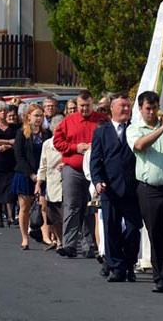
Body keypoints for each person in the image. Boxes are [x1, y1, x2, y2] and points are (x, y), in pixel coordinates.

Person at [126, 91, 163, 293]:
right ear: (140, 109)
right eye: (147, 109)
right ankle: (161, 277)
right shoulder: (134, 129)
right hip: (148, 190)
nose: (151, 112)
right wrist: (161, 129)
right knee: (156, 234)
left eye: (154, 108)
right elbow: (140, 145)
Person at [90, 92, 142, 282]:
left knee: (132, 229)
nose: (126, 109)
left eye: (128, 106)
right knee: (110, 228)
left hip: (132, 189)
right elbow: (95, 161)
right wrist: (98, 181)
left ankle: (129, 264)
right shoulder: (101, 131)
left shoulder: (135, 130)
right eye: (122, 106)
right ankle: (116, 267)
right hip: (109, 189)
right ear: (112, 108)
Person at [53, 89, 108, 258]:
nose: (84, 109)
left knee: (91, 207)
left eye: (87, 106)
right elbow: (57, 141)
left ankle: (90, 245)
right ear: (76, 106)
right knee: (71, 205)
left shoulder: (102, 120)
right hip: (74, 168)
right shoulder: (68, 121)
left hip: (94, 170)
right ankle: (69, 244)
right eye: (81, 106)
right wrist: (75, 148)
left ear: (93, 105)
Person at [11, 104, 51, 249]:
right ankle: (24, 238)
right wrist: (31, 174)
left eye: (41, 115)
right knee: (25, 207)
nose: (39, 118)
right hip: (25, 174)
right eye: (36, 115)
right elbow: (19, 156)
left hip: (42, 174)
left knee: (44, 206)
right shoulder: (22, 133)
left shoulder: (46, 134)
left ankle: (46, 236)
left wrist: (41, 175)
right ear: (28, 117)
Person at [36, 115, 65, 250]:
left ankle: (68, 241)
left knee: (67, 215)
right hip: (52, 184)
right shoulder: (47, 144)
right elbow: (43, 166)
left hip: (67, 182)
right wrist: (38, 184)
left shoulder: (69, 142)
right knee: (55, 216)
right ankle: (60, 241)